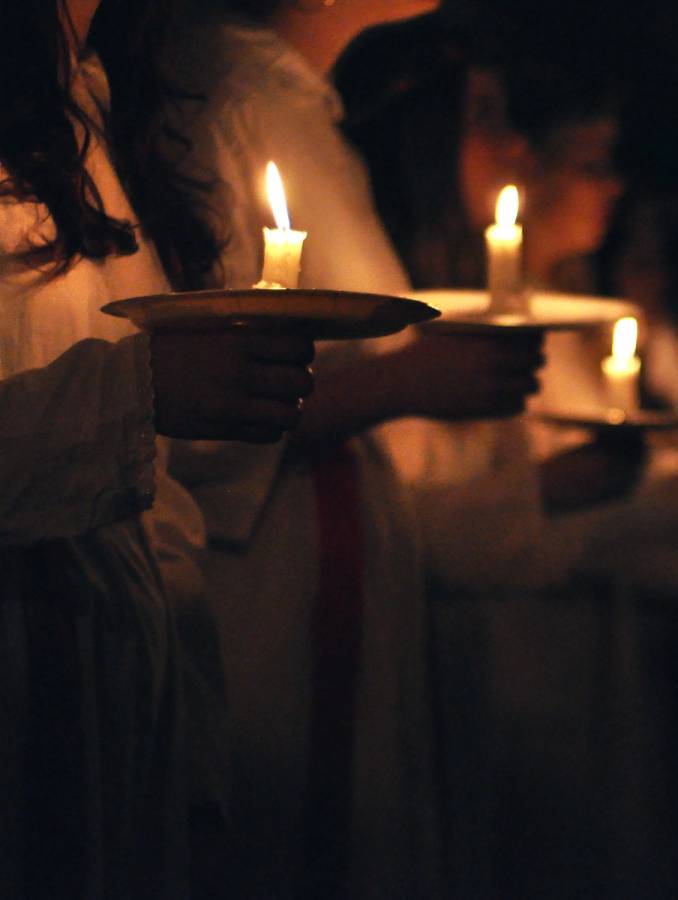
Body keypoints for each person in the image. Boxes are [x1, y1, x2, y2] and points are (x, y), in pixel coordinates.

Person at [168, 2, 549, 897]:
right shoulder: (215, 96)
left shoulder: (302, 115)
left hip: (351, 581)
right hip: (266, 599)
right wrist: (403, 385)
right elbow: (187, 401)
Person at [0, 1, 316, 897]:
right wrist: (135, 394)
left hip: (117, 714)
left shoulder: (91, 105)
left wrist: (196, 754)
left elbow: (159, 509)